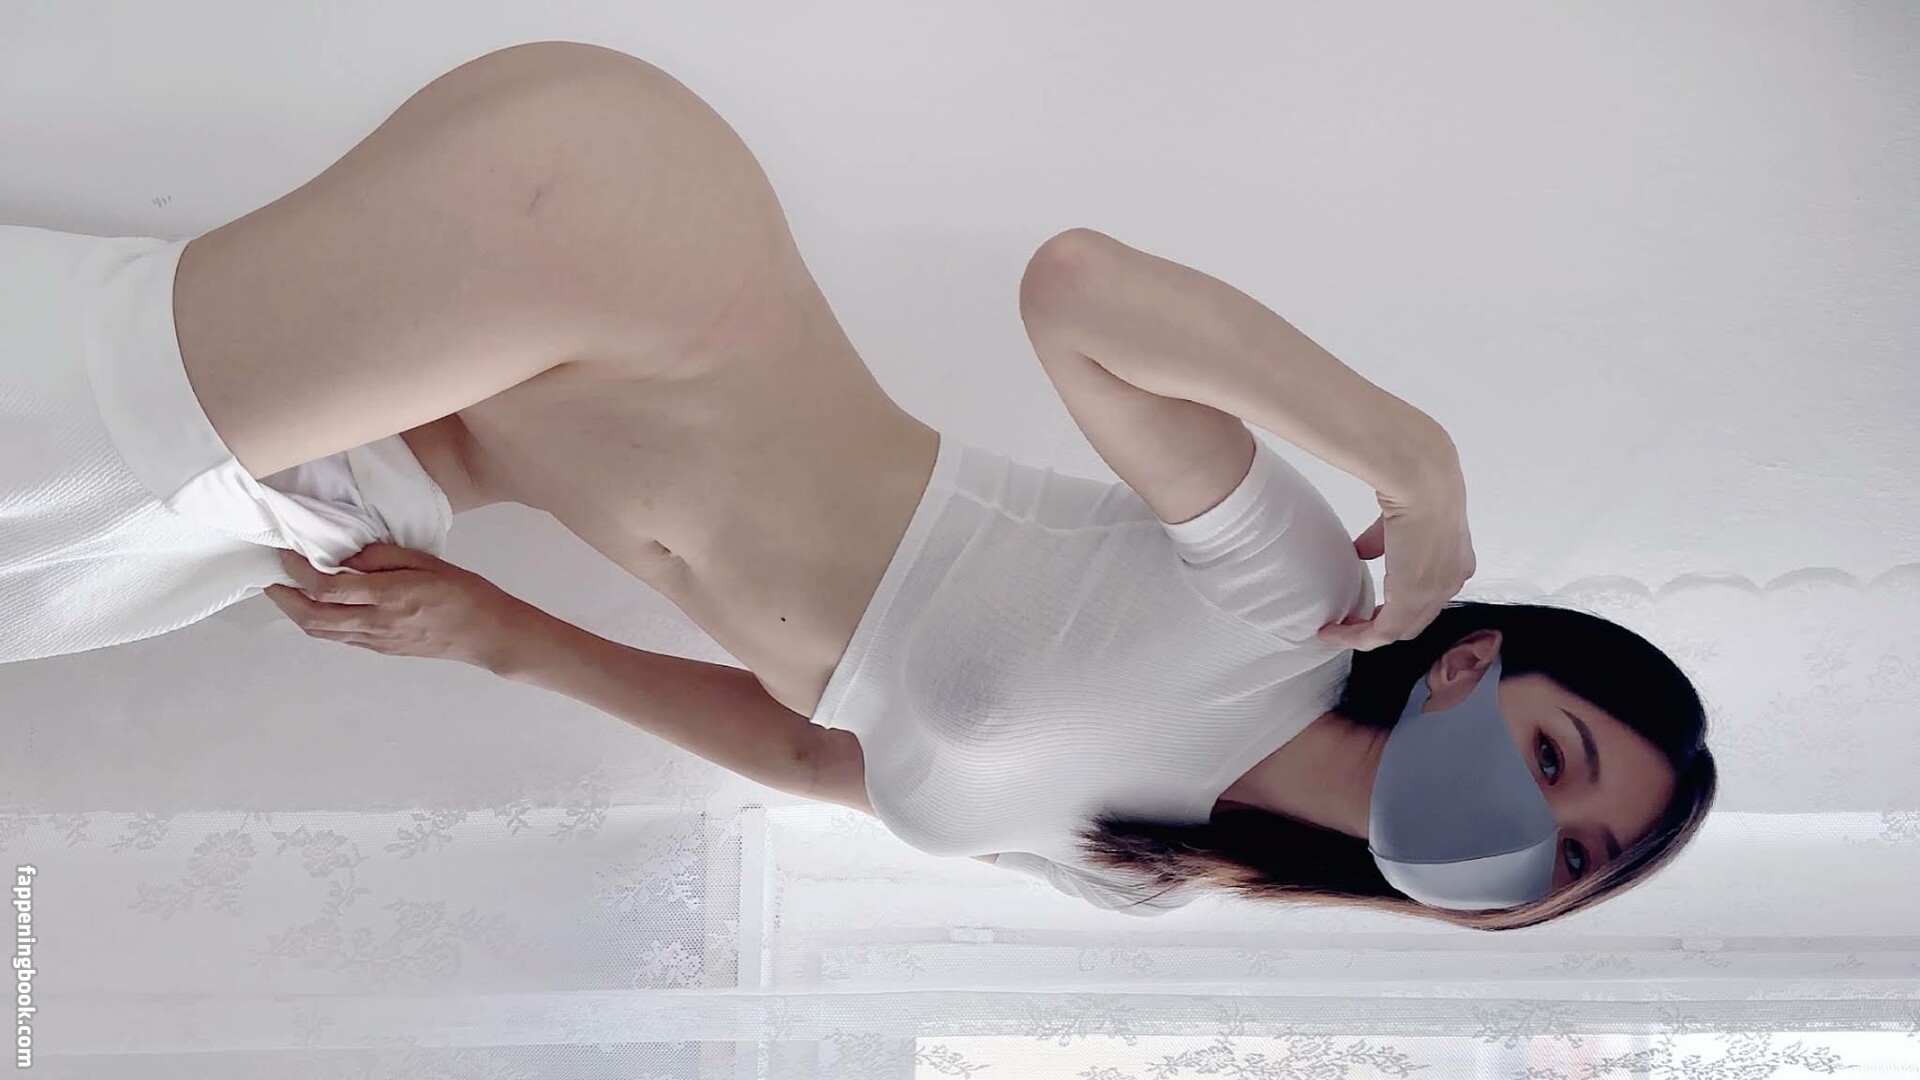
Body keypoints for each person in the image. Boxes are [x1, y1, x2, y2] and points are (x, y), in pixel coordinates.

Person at [4, 41, 1715, 929]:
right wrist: (1415, 461)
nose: (1532, 836)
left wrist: (504, 638)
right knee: (72, 453)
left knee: (69, 560)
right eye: (1552, 762)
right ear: (1472, 665)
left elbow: (827, 756)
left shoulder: (1144, 873)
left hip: (472, 445)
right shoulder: (1298, 612)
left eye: (1572, 857)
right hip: (632, 274)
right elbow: (1080, 295)